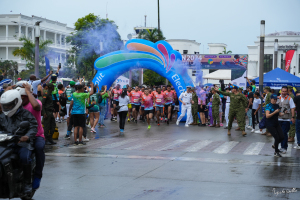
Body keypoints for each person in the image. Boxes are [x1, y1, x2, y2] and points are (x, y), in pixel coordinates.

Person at [0, 89, 38, 196]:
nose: (6, 108)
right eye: (5, 106)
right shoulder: (2, 116)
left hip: (21, 143)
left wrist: (26, 136)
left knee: (24, 157)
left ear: (16, 102)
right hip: (5, 143)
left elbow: (33, 127)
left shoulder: (26, 114)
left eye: (9, 105)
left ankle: (27, 184)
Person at [16, 82, 45, 190]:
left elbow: (36, 106)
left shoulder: (36, 102)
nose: (21, 99)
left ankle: (37, 175)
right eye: (20, 96)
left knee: (39, 148)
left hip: (36, 135)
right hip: (19, 135)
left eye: (23, 96)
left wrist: (28, 91)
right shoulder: (16, 105)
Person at [277, 86, 295, 154]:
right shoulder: (278, 98)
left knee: (284, 133)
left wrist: (292, 117)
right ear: (281, 91)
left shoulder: (290, 99)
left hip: (286, 119)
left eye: (285, 91)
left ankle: (284, 147)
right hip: (278, 119)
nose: (284, 93)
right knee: (279, 133)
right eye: (283, 91)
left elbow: (293, 108)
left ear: (287, 92)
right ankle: (280, 146)